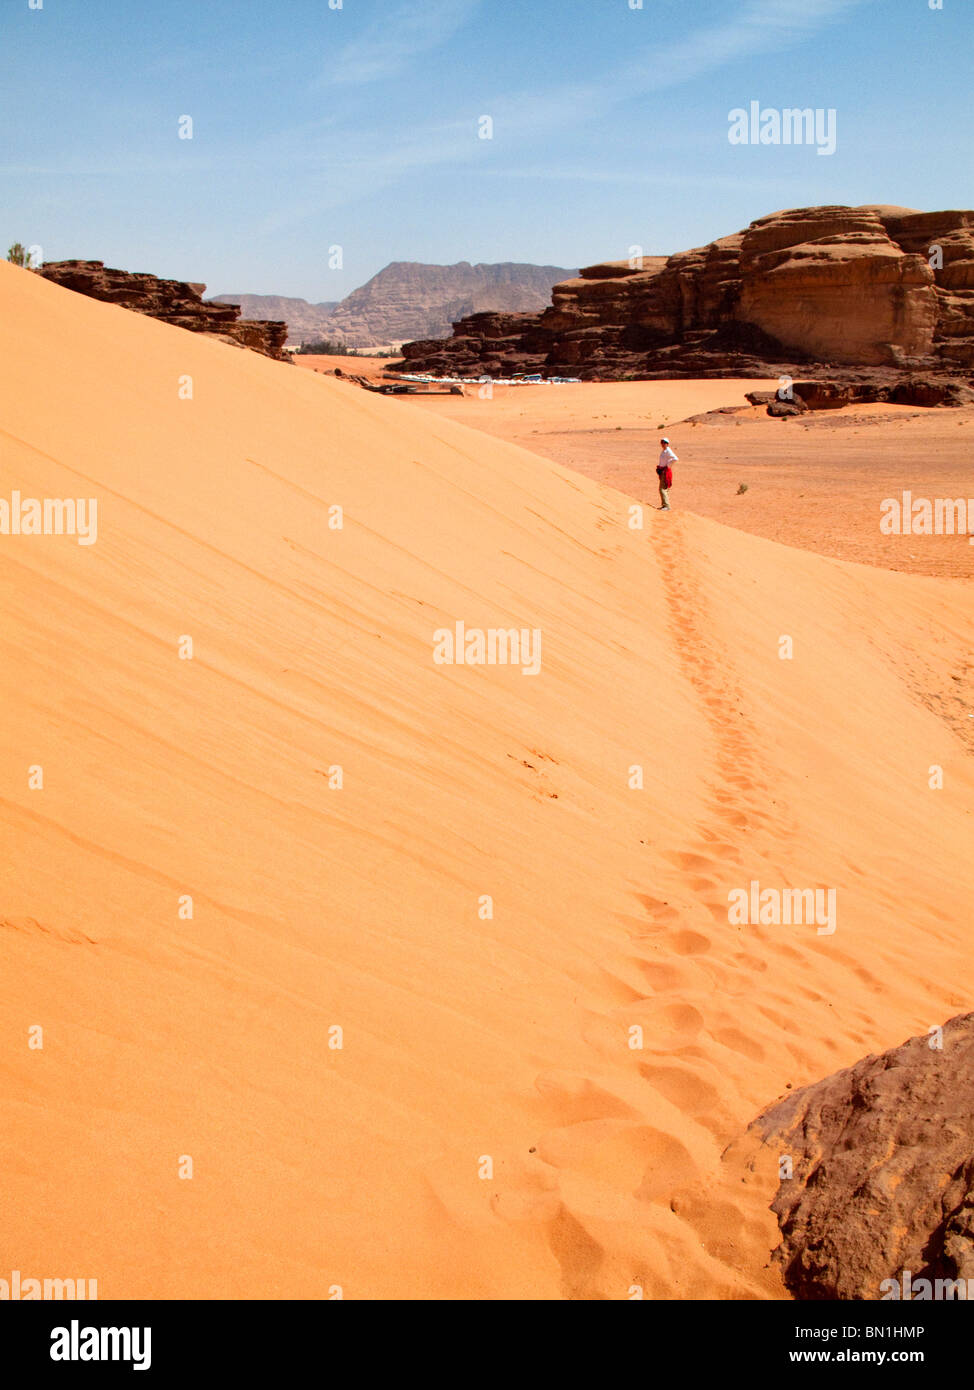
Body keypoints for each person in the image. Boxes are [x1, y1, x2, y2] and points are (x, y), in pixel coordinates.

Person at [657, 437, 677, 510]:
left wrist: (668, 465)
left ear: (667, 444)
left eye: (664, 442)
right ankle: (664, 505)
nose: (663, 444)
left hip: (665, 471)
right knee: (662, 488)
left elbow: (675, 458)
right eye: (662, 442)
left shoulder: (668, 451)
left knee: (662, 489)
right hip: (662, 471)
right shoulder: (664, 451)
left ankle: (667, 506)